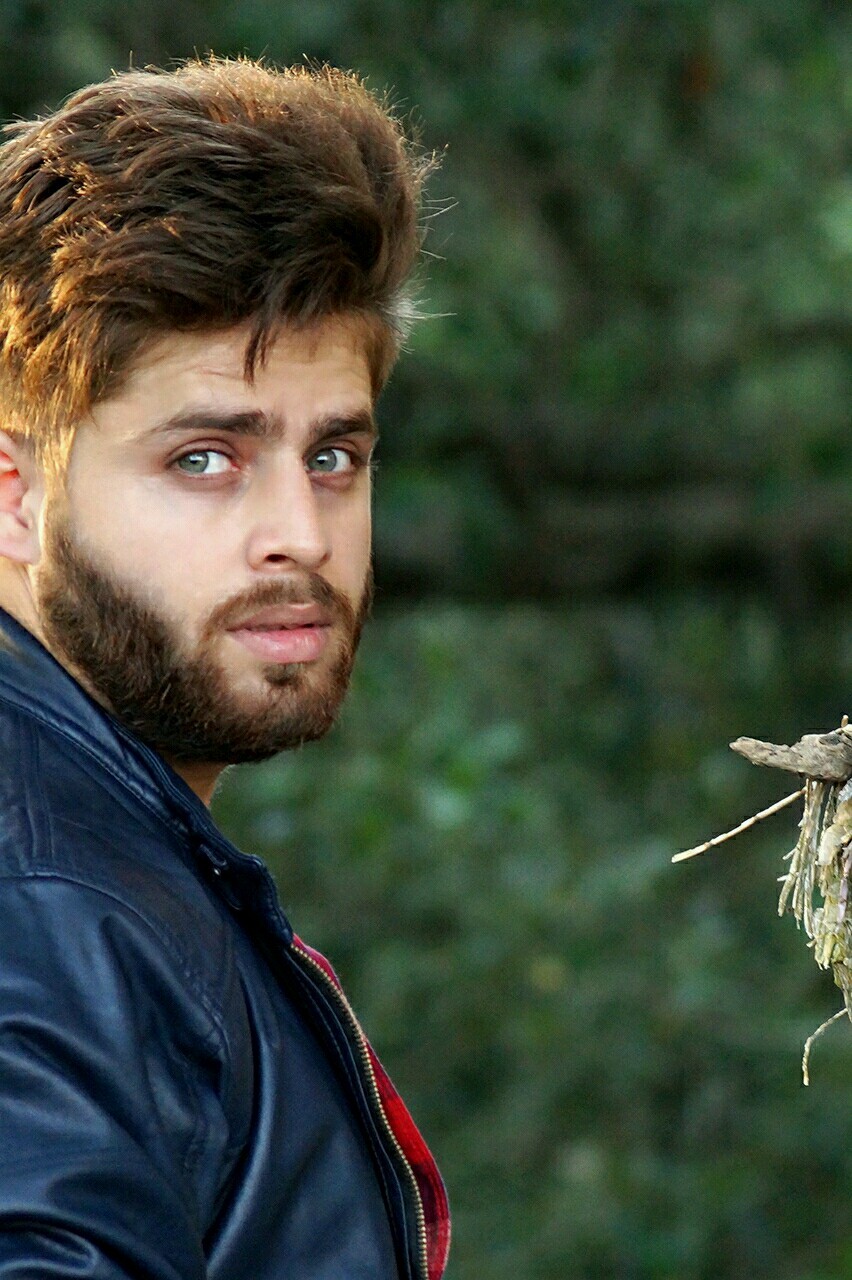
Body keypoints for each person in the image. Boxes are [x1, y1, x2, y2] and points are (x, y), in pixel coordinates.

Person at [0, 55, 449, 1279]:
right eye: (205, 458)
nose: (300, 534)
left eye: (334, 456)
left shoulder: (106, 862)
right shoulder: (45, 907)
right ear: (16, 498)